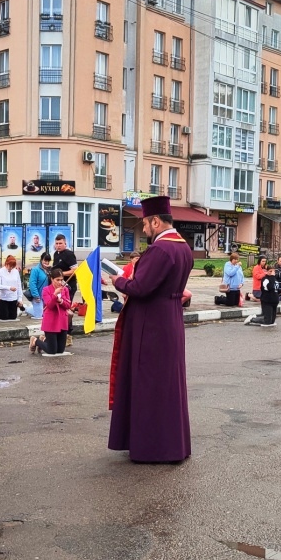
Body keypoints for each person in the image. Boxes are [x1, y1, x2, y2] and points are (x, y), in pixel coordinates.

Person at [107, 196, 193, 464]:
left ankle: (152, 448)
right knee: (168, 385)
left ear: (156, 221)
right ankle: (174, 445)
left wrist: (118, 281)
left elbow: (141, 288)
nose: (143, 230)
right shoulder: (183, 248)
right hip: (170, 319)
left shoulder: (161, 249)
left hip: (151, 325)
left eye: (145, 224)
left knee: (149, 385)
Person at [29, 268, 72, 355]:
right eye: (57, 280)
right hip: (51, 322)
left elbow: (68, 305)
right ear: (52, 279)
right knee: (52, 351)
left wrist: (61, 301)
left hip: (62, 321)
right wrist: (55, 295)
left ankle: (44, 340)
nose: (60, 282)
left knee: (60, 350)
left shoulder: (65, 289)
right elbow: (50, 305)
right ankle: (35, 341)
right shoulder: (46, 290)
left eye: (61, 280)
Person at [52, 234, 79, 344]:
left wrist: (61, 274)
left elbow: (75, 270)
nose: (58, 246)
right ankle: (59, 332)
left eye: (60, 243)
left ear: (65, 243)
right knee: (58, 309)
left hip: (69, 286)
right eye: (57, 243)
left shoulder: (69, 254)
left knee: (66, 310)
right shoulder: (55, 254)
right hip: (59, 287)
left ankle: (68, 335)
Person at [0, 255, 22, 321]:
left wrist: (20, 299)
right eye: (9, 266)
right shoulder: (0, 272)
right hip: (3, 298)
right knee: (3, 317)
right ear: (6, 263)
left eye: (12, 267)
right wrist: (9, 288)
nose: (11, 268)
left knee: (13, 317)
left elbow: (19, 286)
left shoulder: (16, 272)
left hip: (13, 298)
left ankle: (2, 310)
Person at [27, 252, 52, 320]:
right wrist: (36, 295)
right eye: (45, 260)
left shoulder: (49, 270)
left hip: (46, 295)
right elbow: (32, 283)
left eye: (48, 261)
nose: (46, 262)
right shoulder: (35, 270)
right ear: (41, 260)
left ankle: (30, 308)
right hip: (38, 295)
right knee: (39, 316)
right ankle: (25, 309)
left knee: (45, 314)